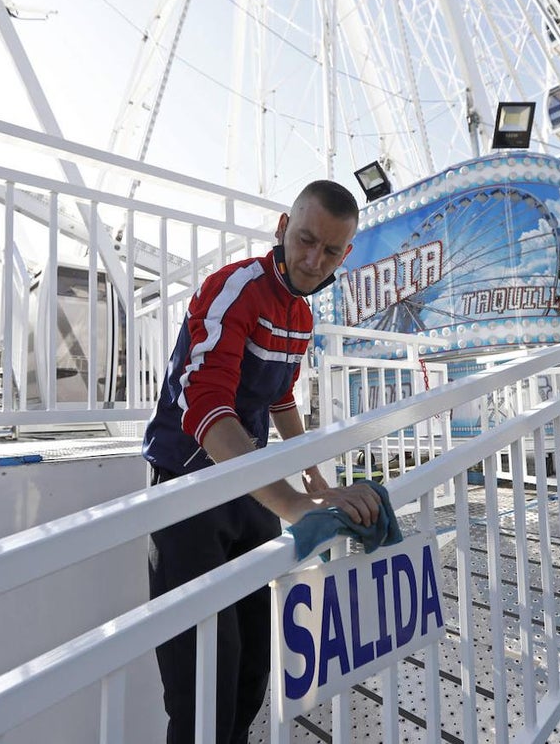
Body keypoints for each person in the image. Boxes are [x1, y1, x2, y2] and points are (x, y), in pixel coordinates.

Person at [143, 180, 381, 744]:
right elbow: (207, 411)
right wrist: (294, 503)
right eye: (304, 240)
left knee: (253, 671)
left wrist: (317, 481)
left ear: (344, 255)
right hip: (190, 487)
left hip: (250, 487)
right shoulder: (233, 289)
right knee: (201, 689)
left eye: (329, 252)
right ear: (281, 228)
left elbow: (279, 398)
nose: (311, 260)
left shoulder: (300, 314)